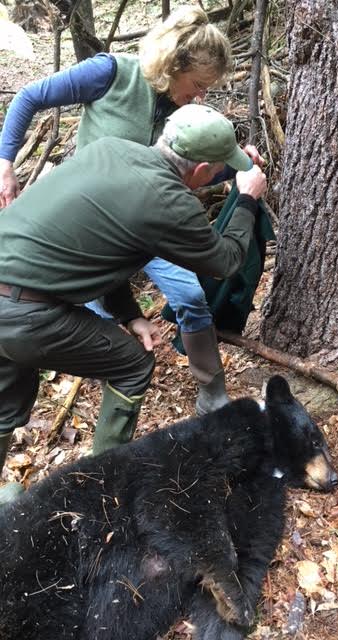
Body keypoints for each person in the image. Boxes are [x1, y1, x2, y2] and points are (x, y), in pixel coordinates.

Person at [0, 5, 262, 416]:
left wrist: (231, 168)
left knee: (190, 297)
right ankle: (102, 389)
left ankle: (211, 393)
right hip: (88, 229)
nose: (200, 97)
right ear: (172, 65)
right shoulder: (110, 73)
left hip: (152, 225)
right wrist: (5, 163)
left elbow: (182, 175)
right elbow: (30, 97)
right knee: (79, 323)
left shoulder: (183, 115)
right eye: (197, 85)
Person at [0, 103, 268, 504]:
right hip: (26, 315)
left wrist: (128, 315)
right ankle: (102, 495)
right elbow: (226, 260)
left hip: (12, 292)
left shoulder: (110, 150)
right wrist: (246, 199)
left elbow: (95, 248)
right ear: (198, 173)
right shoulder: (170, 203)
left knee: (5, 408)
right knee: (132, 365)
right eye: (215, 171)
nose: (216, 178)